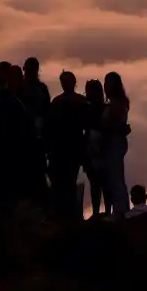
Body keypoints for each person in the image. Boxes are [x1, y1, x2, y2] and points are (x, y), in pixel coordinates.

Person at [0, 64, 38, 215]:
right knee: (0, 189)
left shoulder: (16, 101)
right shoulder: (0, 99)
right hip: (2, 151)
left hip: (12, 152)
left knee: (10, 190)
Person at [45, 71, 90, 221]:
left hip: (69, 147)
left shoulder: (61, 102)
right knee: (64, 182)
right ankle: (66, 213)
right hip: (65, 148)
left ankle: (67, 214)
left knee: (66, 181)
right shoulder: (76, 102)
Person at [102, 71, 132, 217]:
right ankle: (119, 209)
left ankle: (121, 210)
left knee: (116, 178)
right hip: (116, 142)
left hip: (114, 142)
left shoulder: (116, 104)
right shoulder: (119, 102)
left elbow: (113, 124)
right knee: (115, 177)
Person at [83, 79, 109, 216]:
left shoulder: (87, 109)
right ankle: (103, 211)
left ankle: (97, 212)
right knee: (101, 183)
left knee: (97, 184)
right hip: (97, 150)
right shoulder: (104, 108)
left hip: (96, 149)